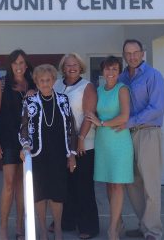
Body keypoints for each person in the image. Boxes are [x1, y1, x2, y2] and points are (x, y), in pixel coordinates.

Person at [19, 64, 77, 240]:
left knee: (57, 194)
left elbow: (70, 128)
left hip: (59, 154)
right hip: (37, 155)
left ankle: (58, 228)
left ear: (53, 81)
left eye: (48, 80)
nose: (45, 83)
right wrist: (25, 145)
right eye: (41, 80)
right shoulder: (29, 101)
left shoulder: (63, 100)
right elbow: (23, 128)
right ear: (36, 82)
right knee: (40, 194)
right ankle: (43, 230)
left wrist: (72, 154)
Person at [118, 39, 164, 240]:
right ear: (124, 55)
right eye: (128, 53)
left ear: (142, 53)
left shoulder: (153, 75)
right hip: (127, 135)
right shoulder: (122, 77)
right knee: (132, 183)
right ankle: (144, 225)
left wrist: (130, 122)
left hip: (148, 133)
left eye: (135, 52)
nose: (132, 57)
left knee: (150, 185)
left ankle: (153, 231)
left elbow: (157, 108)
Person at [52, 53, 100, 239]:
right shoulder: (56, 84)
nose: (71, 68)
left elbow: (89, 114)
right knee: (66, 187)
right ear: (63, 68)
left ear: (80, 67)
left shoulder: (86, 86)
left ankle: (88, 226)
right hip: (61, 145)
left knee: (83, 186)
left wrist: (80, 138)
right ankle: (67, 221)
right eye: (67, 65)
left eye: (75, 65)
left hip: (83, 145)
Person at [0, 49, 36, 240]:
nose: (19, 66)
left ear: (26, 65)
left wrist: (32, 94)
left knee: (23, 184)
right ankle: (3, 228)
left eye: (22, 63)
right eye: (15, 63)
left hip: (28, 141)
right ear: (10, 65)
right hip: (8, 139)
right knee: (9, 183)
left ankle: (19, 226)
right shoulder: (2, 85)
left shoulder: (33, 84)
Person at [87, 56, 133, 240]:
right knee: (108, 183)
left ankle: (113, 229)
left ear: (119, 71)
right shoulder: (98, 90)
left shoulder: (122, 90)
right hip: (103, 143)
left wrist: (102, 123)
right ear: (102, 71)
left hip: (119, 141)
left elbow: (124, 117)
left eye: (114, 69)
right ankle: (118, 221)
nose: (111, 72)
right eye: (107, 69)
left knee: (117, 184)